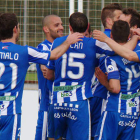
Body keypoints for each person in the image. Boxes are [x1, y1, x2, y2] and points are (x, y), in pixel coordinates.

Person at [0, 13, 83, 140]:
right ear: (15, 29)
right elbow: (53, 55)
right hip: (10, 112)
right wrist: (68, 42)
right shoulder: (24, 51)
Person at [45, 12, 115, 140]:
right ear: (88, 26)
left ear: (70, 27)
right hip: (79, 101)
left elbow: (49, 75)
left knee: (54, 137)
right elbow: (116, 50)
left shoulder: (57, 42)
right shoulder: (94, 44)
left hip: (57, 101)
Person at [94, 20, 140, 140]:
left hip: (114, 110)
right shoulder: (138, 52)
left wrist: (105, 82)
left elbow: (115, 88)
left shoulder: (111, 59)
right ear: (128, 36)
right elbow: (129, 54)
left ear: (112, 35)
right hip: (133, 112)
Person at [90, 3, 122, 139]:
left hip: (95, 93)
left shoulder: (98, 40)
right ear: (109, 21)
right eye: (119, 17)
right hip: (104, 94)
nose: (123, 21)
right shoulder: (110, 39)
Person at [35, 15, 64, 140]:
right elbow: (46, 71)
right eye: (57, 25)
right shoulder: (43, 47)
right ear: (46, 29)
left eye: (62, 24)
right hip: (48, 105)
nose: (61, 28)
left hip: (62, 105)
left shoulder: (63, 47)